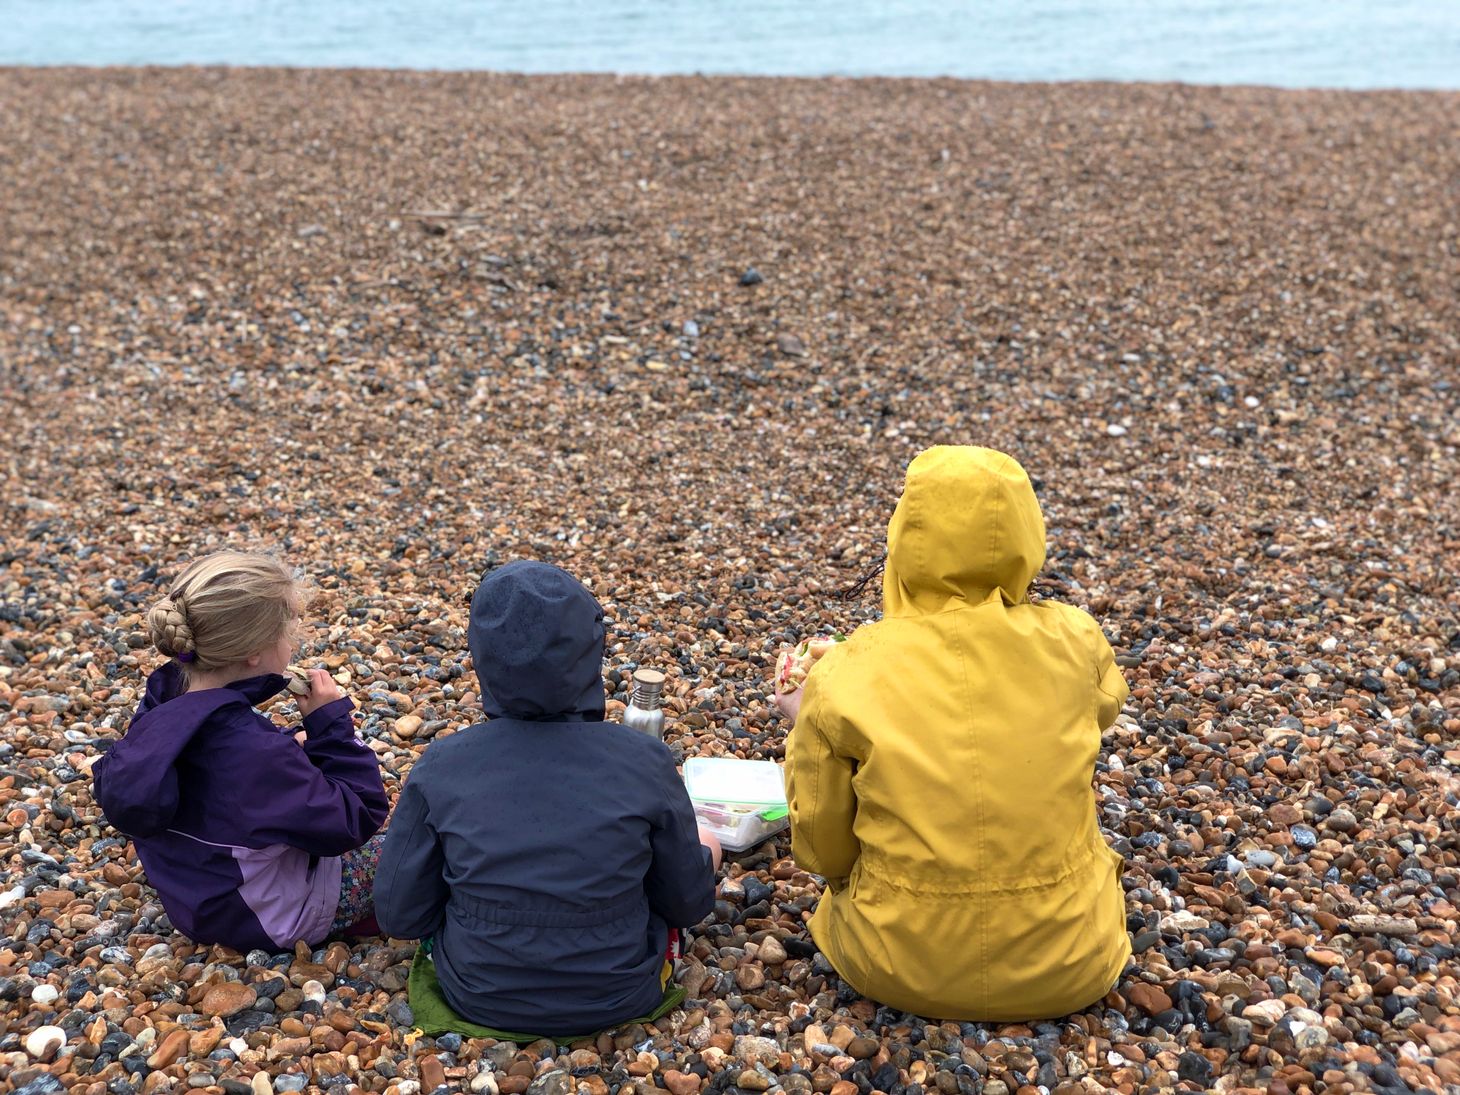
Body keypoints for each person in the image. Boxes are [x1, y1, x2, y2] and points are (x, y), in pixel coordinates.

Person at [777, 446, 1131, 1020]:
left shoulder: (847, 670)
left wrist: (807, 720)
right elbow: (1103, 707)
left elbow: (823, 850)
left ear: (906, 538)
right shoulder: (1077, 639)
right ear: (1026, 537)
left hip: (896, 965)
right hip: (1075, 962)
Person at [374, 560, 720, 1036]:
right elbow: (686, 904)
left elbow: (399, 913)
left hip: (478, 994)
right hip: (618, 994)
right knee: (706, 843)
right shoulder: (644, 760)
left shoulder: (444, 763)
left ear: (482, 659)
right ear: (590, 652)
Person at [92, 551, 389, 952]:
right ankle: (379, 916)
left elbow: (223, 784)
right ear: (255, 652)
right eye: (288, 632)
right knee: (413, 842)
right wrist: (330, 728)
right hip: (262, 919)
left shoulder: (163, 707)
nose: (292, 642)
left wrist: (288, 748)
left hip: (198, 901)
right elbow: (357, 817)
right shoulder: (254, 752)